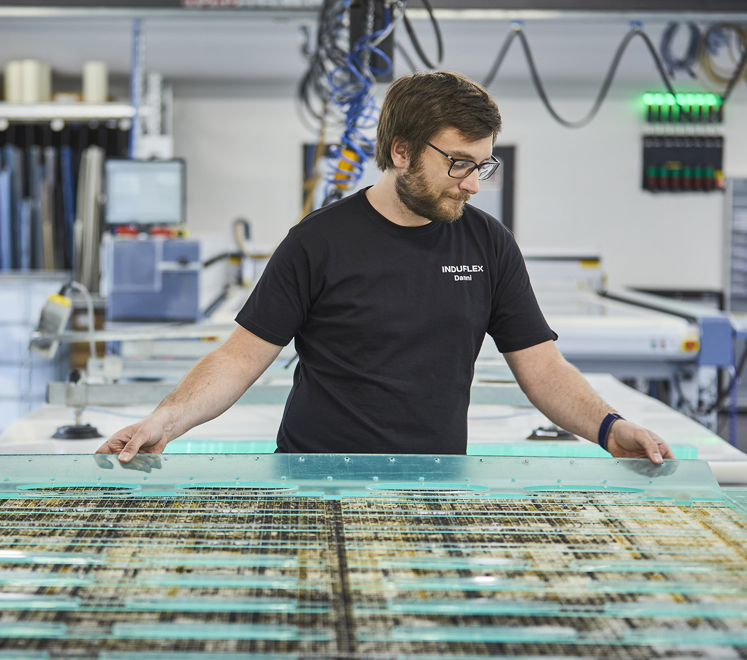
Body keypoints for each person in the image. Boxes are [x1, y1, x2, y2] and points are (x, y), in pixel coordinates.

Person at [96, 71, 674, 466]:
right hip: (315, 484)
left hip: (434, 488)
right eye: (458, 163)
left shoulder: (489, 245)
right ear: (401, 152)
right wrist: (164, 422)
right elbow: (239, 358)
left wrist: (608, 428)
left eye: (483, 164)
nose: (473, 183)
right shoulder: (318, 242)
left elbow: (542, 367)